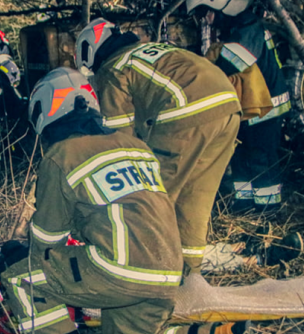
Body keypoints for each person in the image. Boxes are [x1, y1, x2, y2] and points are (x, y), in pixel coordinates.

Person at [1, 68, 250, 334]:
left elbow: (47, 240)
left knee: (23, 278)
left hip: (118, 270)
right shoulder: (135, 146)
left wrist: (26, 253)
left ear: (45, 114)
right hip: (165, 272)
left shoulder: (61, 155)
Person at [75, 18, 242, 274]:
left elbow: (117, 139)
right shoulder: (149, 50)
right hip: (228, 106)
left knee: (151, 198)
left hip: (186, 113)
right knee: (196, 197)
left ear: (89, 54)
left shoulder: (112, 68)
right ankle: (189, 273)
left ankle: (144, 270)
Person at [186, 0, 291, 211]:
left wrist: (204, 77)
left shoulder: (248, 24)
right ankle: (244, 205)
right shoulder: (235, 28)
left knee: (260, 159)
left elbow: (237, 60)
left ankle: (268, 211)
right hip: (249, 108)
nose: (206, 20)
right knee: (241, 157)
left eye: (205, 13)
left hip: (266, 108)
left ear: (218, 3)